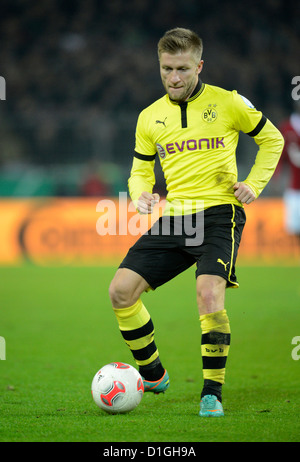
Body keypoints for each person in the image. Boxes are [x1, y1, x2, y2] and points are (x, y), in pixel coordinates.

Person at [109, 28, 284, 417]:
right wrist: (140, 193)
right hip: (175, 217)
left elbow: (273, 140)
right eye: (167, 69)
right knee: (120, 292)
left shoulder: (229, 102)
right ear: (159, 66)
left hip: (220, 212)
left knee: (208, 294)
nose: (174, 77)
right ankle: (152, 373)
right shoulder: (149, 117)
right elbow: (139, 170)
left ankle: (212, 393)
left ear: (199, 66)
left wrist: (254, 184)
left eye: (183, 69)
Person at [277, 100, 300, 243]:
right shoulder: (286, 128)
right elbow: (279, 156)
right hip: (295, 189)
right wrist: (276, 176)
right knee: (296, 229)